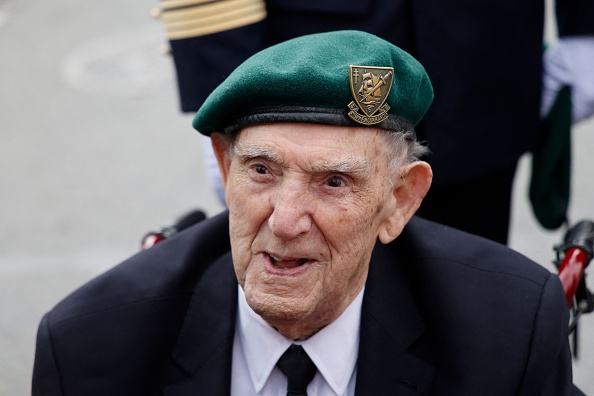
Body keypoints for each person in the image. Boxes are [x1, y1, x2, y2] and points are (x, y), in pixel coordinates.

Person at [33, 31, 581, 395]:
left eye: (334, 181)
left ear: (399, 200)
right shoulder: (90, 350)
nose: (285, 221)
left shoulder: (510, 333)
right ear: (225, 170)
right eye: (263, 171)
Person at [154, 0, 594, 245]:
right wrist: (224, 80)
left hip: (484, 54)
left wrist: (586, 28)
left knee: (468, 305)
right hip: (308, 50)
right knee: (305, 273)